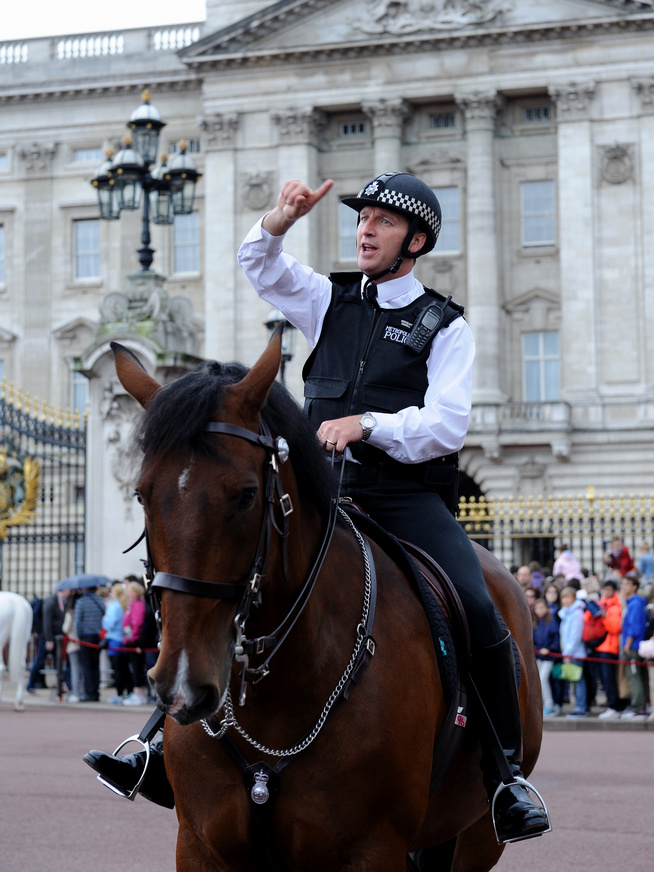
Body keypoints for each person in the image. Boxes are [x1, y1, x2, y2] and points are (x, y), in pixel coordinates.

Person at [87, 172, 551, 841]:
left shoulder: (443, 325)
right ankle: (161, 741)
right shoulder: (329, 300)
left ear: (414, 241)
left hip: (403, 497)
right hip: (319, 493)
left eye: (382, 222)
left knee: (481, 604)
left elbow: (446, 426)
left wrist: (369, 425)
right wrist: (278, 219)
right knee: (226, 575)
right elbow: (259, 266)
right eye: (361, 219)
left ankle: (505, 775)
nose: (364, 229)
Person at [27, 588, 69, 697]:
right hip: (46, 638)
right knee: (39, 661)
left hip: (57, 637)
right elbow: (47, 622)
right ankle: (30, 684)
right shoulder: (51, 602)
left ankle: (61, 685)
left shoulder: (62, 602)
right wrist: (49, 639)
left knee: (58, 662)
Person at [620, 573, 648, 718]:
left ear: (634, 587)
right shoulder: (632, 602)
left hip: (633, 646)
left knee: (634, 677)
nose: (623, 587)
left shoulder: (635, 604)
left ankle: (638, 707)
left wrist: (628, 644)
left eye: (626, 584)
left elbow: (634, 627)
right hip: (633, 645)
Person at [595, 580, 624, 720]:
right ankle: (611, 705)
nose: (605, 592)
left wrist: (604, 617)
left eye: (608, 589)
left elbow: (615, 628)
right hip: (601, 646)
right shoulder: (602, 604)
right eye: (604, 589)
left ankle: (614, 706)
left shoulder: (616, 606)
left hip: (610, 647)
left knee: (609, 678)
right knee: (605, 679)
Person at [558, 586, 588, 716]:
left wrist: (568, 653)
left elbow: (575, 636)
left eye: (568, 597)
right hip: (570, 653)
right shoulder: (566, 613)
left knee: (578, 681)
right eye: (563, 597)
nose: (566, 600)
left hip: (576, 653)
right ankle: (578, 705)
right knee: (574, 681)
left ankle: (581, 707)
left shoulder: (576, 613)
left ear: (574, 598)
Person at [74, 586, 106, 702]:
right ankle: (96, 692)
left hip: (85, 636)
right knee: (95, 665)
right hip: (97, 636)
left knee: (87, 666)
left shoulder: (81, 602)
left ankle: (89, 692)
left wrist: (78, 636)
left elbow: (77, 622)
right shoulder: (100, 600)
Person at [102, 583, 131, 704]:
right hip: (122, 639)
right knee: (124, 669)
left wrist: (104, 619)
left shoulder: (114, 606)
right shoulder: (123, 605)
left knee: (117, 669)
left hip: (114, 640)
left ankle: (119, 694)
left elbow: (110, 624)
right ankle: (127, 692)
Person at [532, 597, 561, 716]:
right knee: (538, 680)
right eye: (537, 608)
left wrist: (549, 649)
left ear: (547, 608)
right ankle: (542, 705)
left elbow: (556, 638)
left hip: (549, 656)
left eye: (542, 607)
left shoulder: (552, 621)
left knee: (543, 678)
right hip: (538, 655)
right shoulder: (534, 621)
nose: (539, 610)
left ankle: (549, 705)